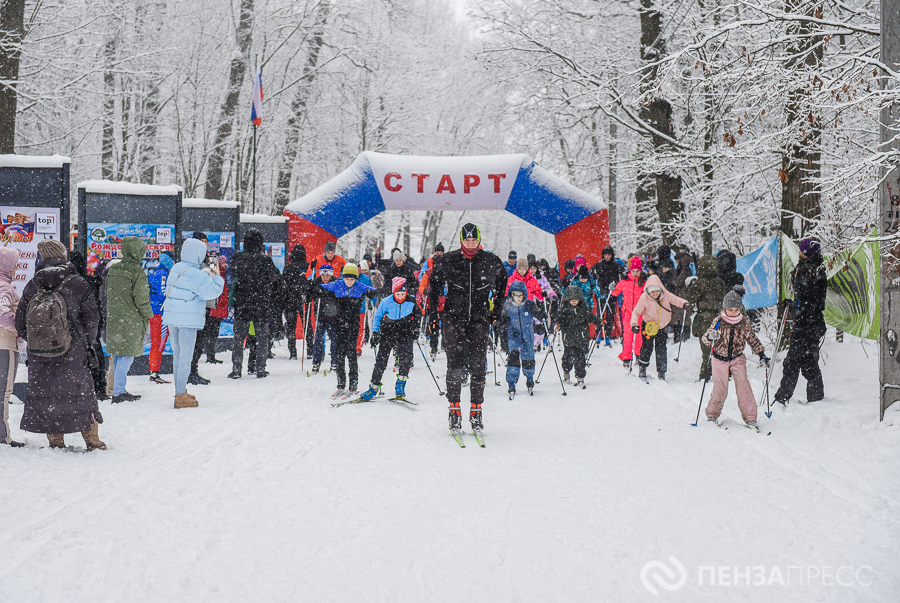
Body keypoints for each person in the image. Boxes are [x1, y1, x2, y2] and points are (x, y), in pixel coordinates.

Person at [17, 239, 106, 450]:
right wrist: (83, 341)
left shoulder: (32, 284)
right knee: (82, 393)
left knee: (48, 393)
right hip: (73, 351)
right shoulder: (78, 283)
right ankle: (91, 439)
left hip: (40, 353)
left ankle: (55, 440)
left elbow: (21, 322)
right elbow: (92, 319)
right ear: (62, 256)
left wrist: (40, 340)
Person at [428, 223, 506, 433]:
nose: (470, 245)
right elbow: (433, 284)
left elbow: (503, 282)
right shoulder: (448, 260)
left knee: (478, 366)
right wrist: (433, 313)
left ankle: (476, 410)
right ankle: (454, 411)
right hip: (454, 318)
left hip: (480, 319)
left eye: (473, 241)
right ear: (461, 241)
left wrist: (497, 311)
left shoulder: (490, 260)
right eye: (466, 241)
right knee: (455, 365)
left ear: (479, 241)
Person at [162, 238, 224, 408]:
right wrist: (216, 275)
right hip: (187, 320)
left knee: (178, 357)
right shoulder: (197, 273)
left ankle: (179, 391)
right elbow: (213, 292)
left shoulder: (176, 268)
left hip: (172, 318)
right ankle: (180, 396)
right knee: (186, 358)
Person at [704, 290, 769, 429]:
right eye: (730, 310)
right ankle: (712, 414)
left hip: (737, 358)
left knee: (743, 387)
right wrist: (711, 337)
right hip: (719, 358)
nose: (733, 312)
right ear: (724, 309)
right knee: (720, 388)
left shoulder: (744, 322)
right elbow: (706, 338)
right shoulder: (719, 321)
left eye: (736, 309)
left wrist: (761, 354)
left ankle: (750, 417)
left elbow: (752, 339)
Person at [774, 238, 827, 405]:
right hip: (812, 322)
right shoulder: (816, 268)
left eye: (802, 250)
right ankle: (816, 399)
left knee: (792, 362)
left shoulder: (807, 271)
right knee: (808, 362)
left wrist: (796, 306)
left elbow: (807, 297)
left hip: (806, 323)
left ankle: (782, 397)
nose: (799, 253)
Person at [358, 277, 422, 401]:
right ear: (393, 292)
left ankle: (401, 384)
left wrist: (416, 329)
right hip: (388, 331)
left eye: (402, 293)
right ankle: (373, 387)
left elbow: (418, 316)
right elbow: (377, 317)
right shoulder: (386, 302)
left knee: (406, 358)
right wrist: (375, 333)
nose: (400, 296)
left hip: (405, 331)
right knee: (381, 360)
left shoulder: (412, 301)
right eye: (397, 294)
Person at [105, 236, 152, 403]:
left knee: (118, 354)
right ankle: (118, 391)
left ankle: (117, 389)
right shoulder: (137, 272)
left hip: (114, 318)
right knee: (128, 355)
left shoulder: (113, 269)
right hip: (130, 319)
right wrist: (149, 314)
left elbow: (107, 293)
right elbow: (141, 299)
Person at [317, 264, 377, 393]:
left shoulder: (360, 286)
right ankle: (340, 383)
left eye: (352, 279)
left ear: (356, 278)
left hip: (353, 324)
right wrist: (314, 287)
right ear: (343, 277)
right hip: (339, 324)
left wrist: (375, 292)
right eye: (347, 279)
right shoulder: (337, 285)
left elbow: (373, 292)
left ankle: (353, 383)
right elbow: (319, 286)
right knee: (339, 354)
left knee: (351, 353)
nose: (349, 282)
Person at [229, 228, 280, 379]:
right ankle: (260, 368)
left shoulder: (238, 257)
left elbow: (233, 272)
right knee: (262, 338)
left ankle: (236, 369)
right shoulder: (265, 260)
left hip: (242, 302)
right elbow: (275, 276)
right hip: (260, 303)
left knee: (239, 338)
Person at [630, 274, 690, 382]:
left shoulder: (666, 295)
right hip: (648, 326)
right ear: (648, 291)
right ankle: (642, 367)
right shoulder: (644, 298)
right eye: (652, 292)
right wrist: (634, 324)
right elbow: (636, 312)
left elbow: (676, 300)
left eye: (657, 291)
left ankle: (662, 372)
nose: (655, 294)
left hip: (663, 326)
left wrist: (683, 303)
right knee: (646, 347)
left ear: (660, 289)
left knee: (661, 349)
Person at [684, 255, 728, 380]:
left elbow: (690, 298)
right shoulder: (720, 282)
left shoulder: (701, 283)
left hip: (704, 318)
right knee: (718, 347)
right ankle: (720, 373)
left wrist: (690, 286)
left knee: (707, 348)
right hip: (719, 317)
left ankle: (705, 375)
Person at [188, 232, 219, 385]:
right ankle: (190, 371)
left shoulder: (209, 260)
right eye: (201, 241)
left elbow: (215, 279)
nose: (204, 244)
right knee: (194, 341)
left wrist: (213, 266)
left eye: (206, 241)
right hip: (195, 305)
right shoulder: (192, 261)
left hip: (207, 305)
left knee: (200, 340)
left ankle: (193, 370)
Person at [555, 285, 601, 388]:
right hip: (569, 338)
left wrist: (599, 322)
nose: (574, 301)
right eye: (571, 299)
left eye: (576, 299)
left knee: (580, 359)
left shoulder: (583, 309)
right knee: (568, 357)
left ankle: (580, 377)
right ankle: (566, 373)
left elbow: (591, 317)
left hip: (581, 338)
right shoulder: (564, 310)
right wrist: (557, 325)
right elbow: (559, 320)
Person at [502, 280, 543, 396]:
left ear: (524, 295)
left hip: (527, 336)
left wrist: (541, 315)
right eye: (516, 296)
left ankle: (529, 378)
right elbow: (504, 323)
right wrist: (503, 334)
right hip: (514, 336)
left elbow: (538, 314)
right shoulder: (507, 307)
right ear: (511, 295)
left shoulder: (529, 305)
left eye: (520, 296)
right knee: (513, 359)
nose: (518, 298)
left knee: (528, 359)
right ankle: (511, 382)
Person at [0, 248, 23, 447]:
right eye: (14, 264)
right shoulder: (5, 289)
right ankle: (3, 435)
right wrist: (20, 328)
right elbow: (3, 314)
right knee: (3, 392)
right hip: (5, 345)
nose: (16, 268)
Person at [611, 256, 646, 369]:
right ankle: (626, 357)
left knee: (640, 336)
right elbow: (615, 292)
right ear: (630, 270)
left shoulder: (643, 283)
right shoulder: (625, 282)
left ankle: (638, 355)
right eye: (633, 271)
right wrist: (612, 288)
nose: (635, 273)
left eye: (637, 271)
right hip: (628, 313)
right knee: (627, 336)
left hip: (640, 313)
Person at [148, 251, 173, 384]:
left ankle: (154, 372)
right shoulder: (163, 274)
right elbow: (162, 294)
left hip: (155, 312)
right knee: (159, 344)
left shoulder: (156, 272)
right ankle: (154, 373)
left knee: (156, 343)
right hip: (160, 314)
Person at [281, 244, 310, 360]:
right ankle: (310, 350)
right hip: (304, 299)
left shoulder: (288, 267)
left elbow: (284, 285)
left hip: (290, 301)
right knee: (307, 326)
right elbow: (310, 283)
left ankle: (293, 352)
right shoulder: (307, 266)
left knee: (291, 327)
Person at [205, 255, 230, 363]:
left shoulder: (217, 275)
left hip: (215, 309)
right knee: (212, 333)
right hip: (216, 309)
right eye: (224, 263)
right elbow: (220, 294)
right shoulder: (218, 276)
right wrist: (222, 303)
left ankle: (210, 355)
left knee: (211, 333)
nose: (226, 265)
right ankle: (210, 356)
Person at [670, 251, 694, 343]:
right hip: (682, 295)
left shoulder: (684, 270)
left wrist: (673, 275)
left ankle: (681, 338)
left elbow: (677, 282)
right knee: (681, 317)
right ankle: (681, 337)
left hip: (681, 295)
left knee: (681, 317)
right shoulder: (685, 269)